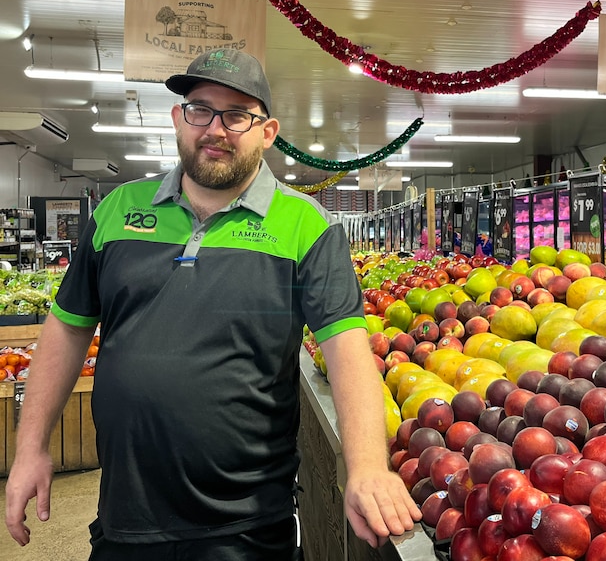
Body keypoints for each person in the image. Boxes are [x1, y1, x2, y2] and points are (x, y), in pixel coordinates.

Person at [4, 48, 421, 560]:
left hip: (244, 528)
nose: (215, 129)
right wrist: (30, 448)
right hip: (123, 518)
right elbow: (67, 330)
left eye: (238, 115)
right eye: (200, 109)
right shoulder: (118, 210)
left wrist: (367, 469)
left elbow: (349, 351)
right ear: (179, 119)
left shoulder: (305, 227)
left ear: (267, 132)